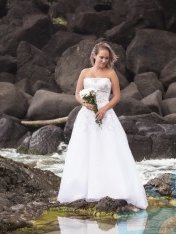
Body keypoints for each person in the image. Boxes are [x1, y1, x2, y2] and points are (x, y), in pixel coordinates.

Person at [57, 42, 148, 209]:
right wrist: (84, 103)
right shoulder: (84, 72)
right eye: (101, 57)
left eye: (107, 58)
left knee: (108, 149)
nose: (104, 61)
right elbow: (77, 93)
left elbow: (117, 96)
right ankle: (81, 190)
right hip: (86, 115)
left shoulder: (111, 73)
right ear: (94, 56)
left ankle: (112, 188)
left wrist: (105, 108)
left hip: (105, 115)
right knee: (85, 150)